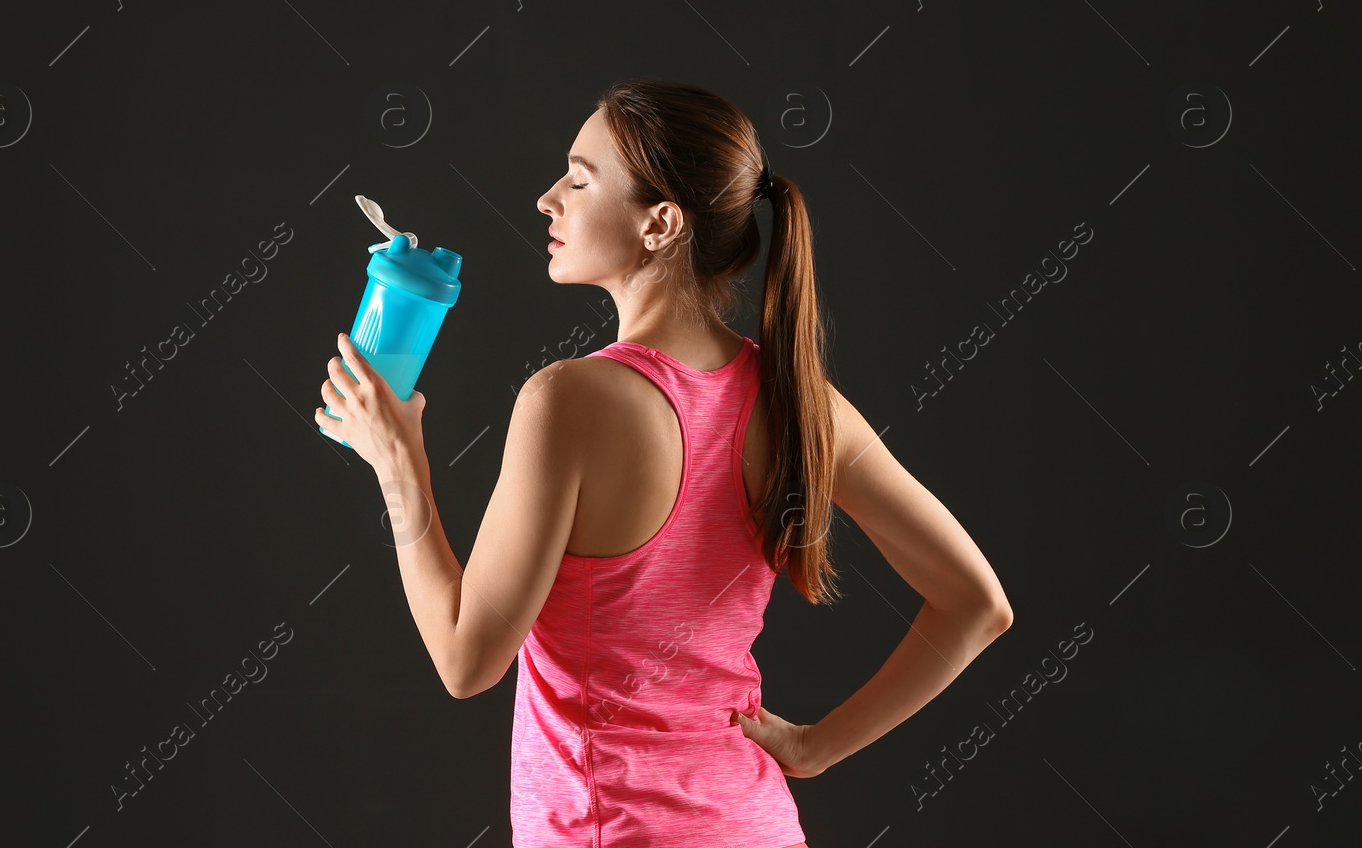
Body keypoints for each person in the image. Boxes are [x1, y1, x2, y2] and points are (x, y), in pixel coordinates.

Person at [315, 79, 1013, 847]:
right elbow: (977, 602)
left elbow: (465, 657)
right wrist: (814, 749)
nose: (549, 198)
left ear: (661, 223)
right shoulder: (799, 402)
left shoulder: (566, 400)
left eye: (580, 179)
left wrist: (399, 463)